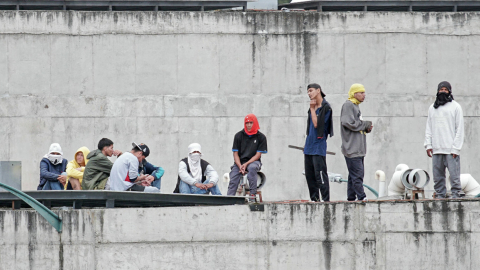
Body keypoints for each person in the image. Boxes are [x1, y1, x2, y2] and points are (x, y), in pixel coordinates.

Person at [424, 81, 464, 199]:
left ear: (449, 92)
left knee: (454, 176)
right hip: (436, 149)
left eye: (445, 90)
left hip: (451, 149)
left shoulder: (456, 107)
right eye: (441, 90)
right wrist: (428, 145)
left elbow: (460, 129)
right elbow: (429, 127)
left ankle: (456, 195)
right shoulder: (432, 108)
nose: (443, 92)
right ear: (437, 91)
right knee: (438, 176)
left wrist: (456, 148)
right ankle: (440, 196)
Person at [340, 84, 373, 201]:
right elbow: (347, 122)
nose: (364, 95)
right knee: (358, 174)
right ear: (354, 94)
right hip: (352, 149)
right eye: (361, 92)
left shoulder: (355, 106)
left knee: (353, 176)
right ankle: (362, 197)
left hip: (358, 149)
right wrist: (365, 124)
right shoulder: (348, 105)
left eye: (364, 92)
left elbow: (356, 125)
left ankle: (351, 197)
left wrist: (366, 128)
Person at [304, 83, 334, 202]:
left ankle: (326, 200)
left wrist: (312, 109)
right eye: (308, 91)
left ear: (318, 91)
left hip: (318, 146)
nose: (309, 93)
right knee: (309, 175)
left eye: (311, 91)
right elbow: (309, 128)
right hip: (309, 145)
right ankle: (314, 199)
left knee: (320, 174)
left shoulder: (326, 107)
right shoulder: (312, 107)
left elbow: (317, 125)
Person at [227, 114, 267, 201]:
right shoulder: (238, 136)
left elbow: (258, 155)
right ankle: (229, 198)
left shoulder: (261, 137)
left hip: (254, 161)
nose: (249, 125)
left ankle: (252, 195)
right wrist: (240, 165)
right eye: (247, 123)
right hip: (239, 162)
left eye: (251, 123)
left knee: (252, 168)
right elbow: (235, 154)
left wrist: (246, 164)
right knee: (233, 176)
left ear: (255, 123)